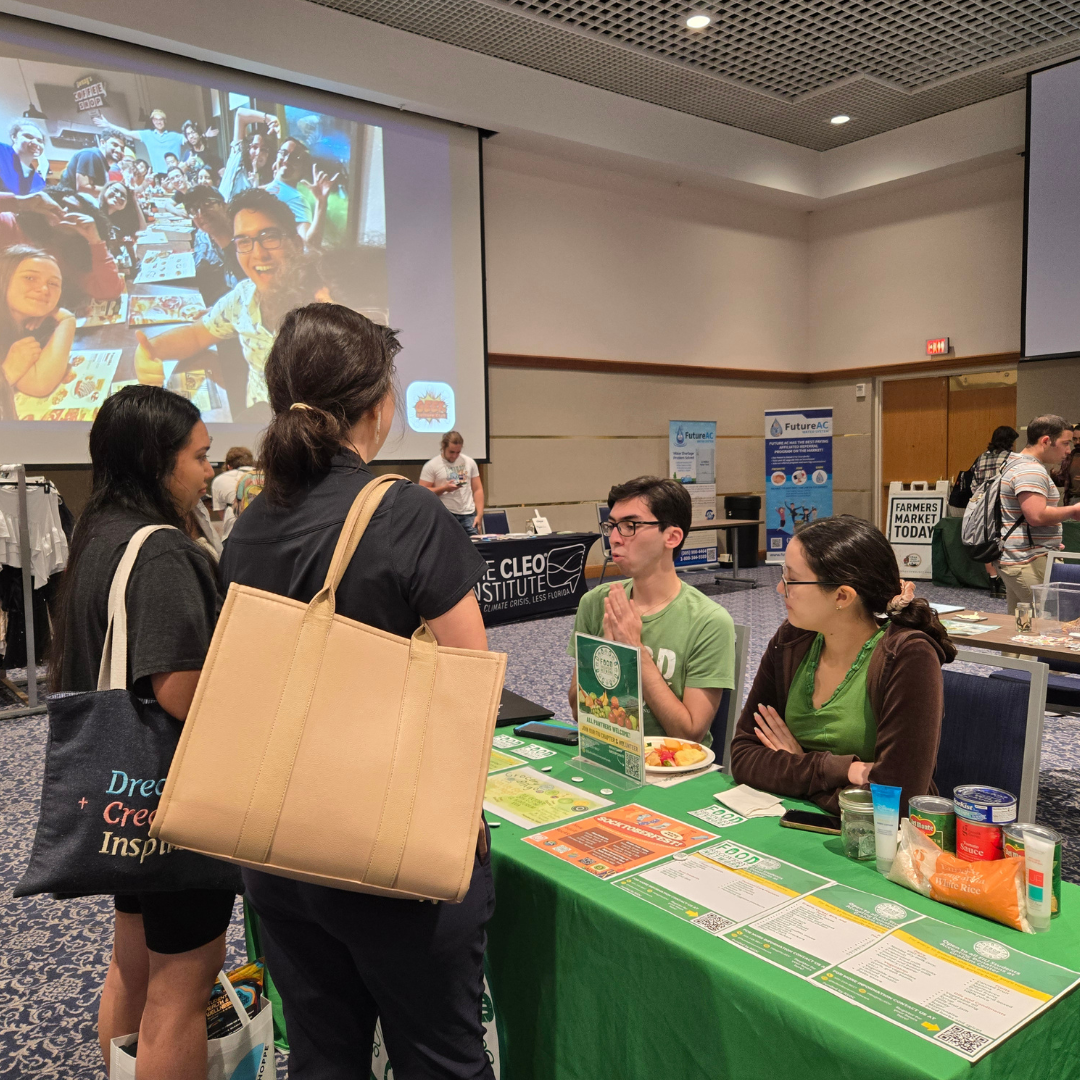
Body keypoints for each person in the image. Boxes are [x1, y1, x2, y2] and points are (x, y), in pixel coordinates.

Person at [220, 302, 495, 1079]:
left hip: (277, 841)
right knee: (439, 1059)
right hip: (392, 846)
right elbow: (468, 681)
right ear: (378, 403)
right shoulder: (402, 510)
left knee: (323, 1055)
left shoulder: (251, 523)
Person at [47, 384, 235, 1080]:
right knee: (181, 989)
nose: (209, 471)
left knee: (131, 964)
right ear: (158, 459)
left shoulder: (98, 535)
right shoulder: (161, 551)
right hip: (173, 800)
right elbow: (180, 690)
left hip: (122, 796)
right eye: (199, 456)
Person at [730, 515, 956, 815]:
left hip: (881, 837)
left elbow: (892, 802)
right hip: (794, 822)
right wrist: (843, 770)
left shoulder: (908, 656)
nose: (780, 589)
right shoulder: (792, 639)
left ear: (842, 596)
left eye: (792, 580)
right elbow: (744, 757)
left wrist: (796, 765)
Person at [566, 476, 735, 744]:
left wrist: (634, 650)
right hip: (605, 752)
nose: (614, 539)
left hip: (670, 762)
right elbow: (579, 712)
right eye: (612, 526)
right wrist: (604, 652)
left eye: (629, 526)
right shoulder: (597, 603)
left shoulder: (709, 622)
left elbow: (689, 733)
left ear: (672, 537)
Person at [132, 188, 306, 414]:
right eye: (244, 242)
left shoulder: (324, 311)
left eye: (269, 237)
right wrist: (149, 349)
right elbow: (195, 335)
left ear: (296, 243)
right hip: (253, 421)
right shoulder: (244, 296)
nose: (258, 254)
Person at [998, 414, 1080, 613]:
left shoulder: (1015, 463)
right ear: (1046, 441)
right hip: (1028, 559)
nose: (1068, 450)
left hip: (1019, 556)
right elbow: (1036, 516)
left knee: (1022, 622)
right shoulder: (1031, 470)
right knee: (1048, 618)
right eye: (1065, 443)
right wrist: (1073, 510)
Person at [1, 188, 124, 308]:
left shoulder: (72, 259)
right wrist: (20, 202)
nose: (64, 211)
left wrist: (95, 240)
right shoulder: (12, 224)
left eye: (73, 210)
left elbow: (110, 291)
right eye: (60, 204)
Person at [0, 245, 75, 419]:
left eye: (53, 283)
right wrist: (7, 373)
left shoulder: (26, 325)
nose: (44, 289)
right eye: (30, 278)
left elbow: (39, 382)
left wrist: (66, 319)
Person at [969, 425, 1018, 597]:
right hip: (1003, 506)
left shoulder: (981, 457)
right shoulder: (1011, 458)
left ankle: (993, 582)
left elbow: (973, 485)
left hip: (983, 508)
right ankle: (1003, 584)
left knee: (989, 543)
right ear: (1009, 441)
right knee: (1004, 543)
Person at [264, 137, 338, 245]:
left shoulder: (296, 199)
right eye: (283, 153)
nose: (286, 160)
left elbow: (309, 244)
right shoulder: (261, 189)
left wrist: (321, 203)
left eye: (294, 158)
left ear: (303, 169)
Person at [179, 186, 241, 305]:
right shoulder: (204, 236)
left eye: (207, 204)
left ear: (224, 205)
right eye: (194, 210)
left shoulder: (244, 239)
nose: (201, 214)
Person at [419, 431, 484, 534]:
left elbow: (478, 489)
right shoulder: (432, 465)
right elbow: (422, 492)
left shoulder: (469, 462)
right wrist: (444, 488)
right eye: (451, 452)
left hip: (468, 514)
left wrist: (479, 515)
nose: (454, 456)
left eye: (458, 452)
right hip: (446, 513)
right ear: (443, 446)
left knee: (474, 543)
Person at [95, 110, 185, 176]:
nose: (158, 122)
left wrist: (185, 163)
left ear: (165, 121)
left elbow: (191, 138)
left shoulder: (175, 136)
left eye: (161, 119)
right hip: (159, 175)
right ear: (153, 122)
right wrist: (109, 125)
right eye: (156, 119)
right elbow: (128, 133)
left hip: (177, 173)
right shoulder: (148, 135)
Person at [219, 107, 279, 200]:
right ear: (247, 148)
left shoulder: (269, 183)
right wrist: (269, 118)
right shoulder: (238, 157)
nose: (258, 153)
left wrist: (256, 185)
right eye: (254, 147)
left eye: (263, 150)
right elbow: (240, 115)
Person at [59, 131, 127, 199]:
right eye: (115, 145)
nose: (119, 150)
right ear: (103, 143)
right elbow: (83, 189)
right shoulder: (91, 154)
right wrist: (116, 190)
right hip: (66, 201)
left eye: (122, 148)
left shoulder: (103, 164)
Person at [210, 446, 255, 538]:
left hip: (234, 535)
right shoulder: (267, 475)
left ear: (228, 466)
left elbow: (222, 514)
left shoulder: (219, 480)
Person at [0, 120, 47, 197]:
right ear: (14, 137)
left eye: (40, 141)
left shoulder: (39, 182)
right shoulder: (1, 152)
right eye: (28, 137)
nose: (35, 143)